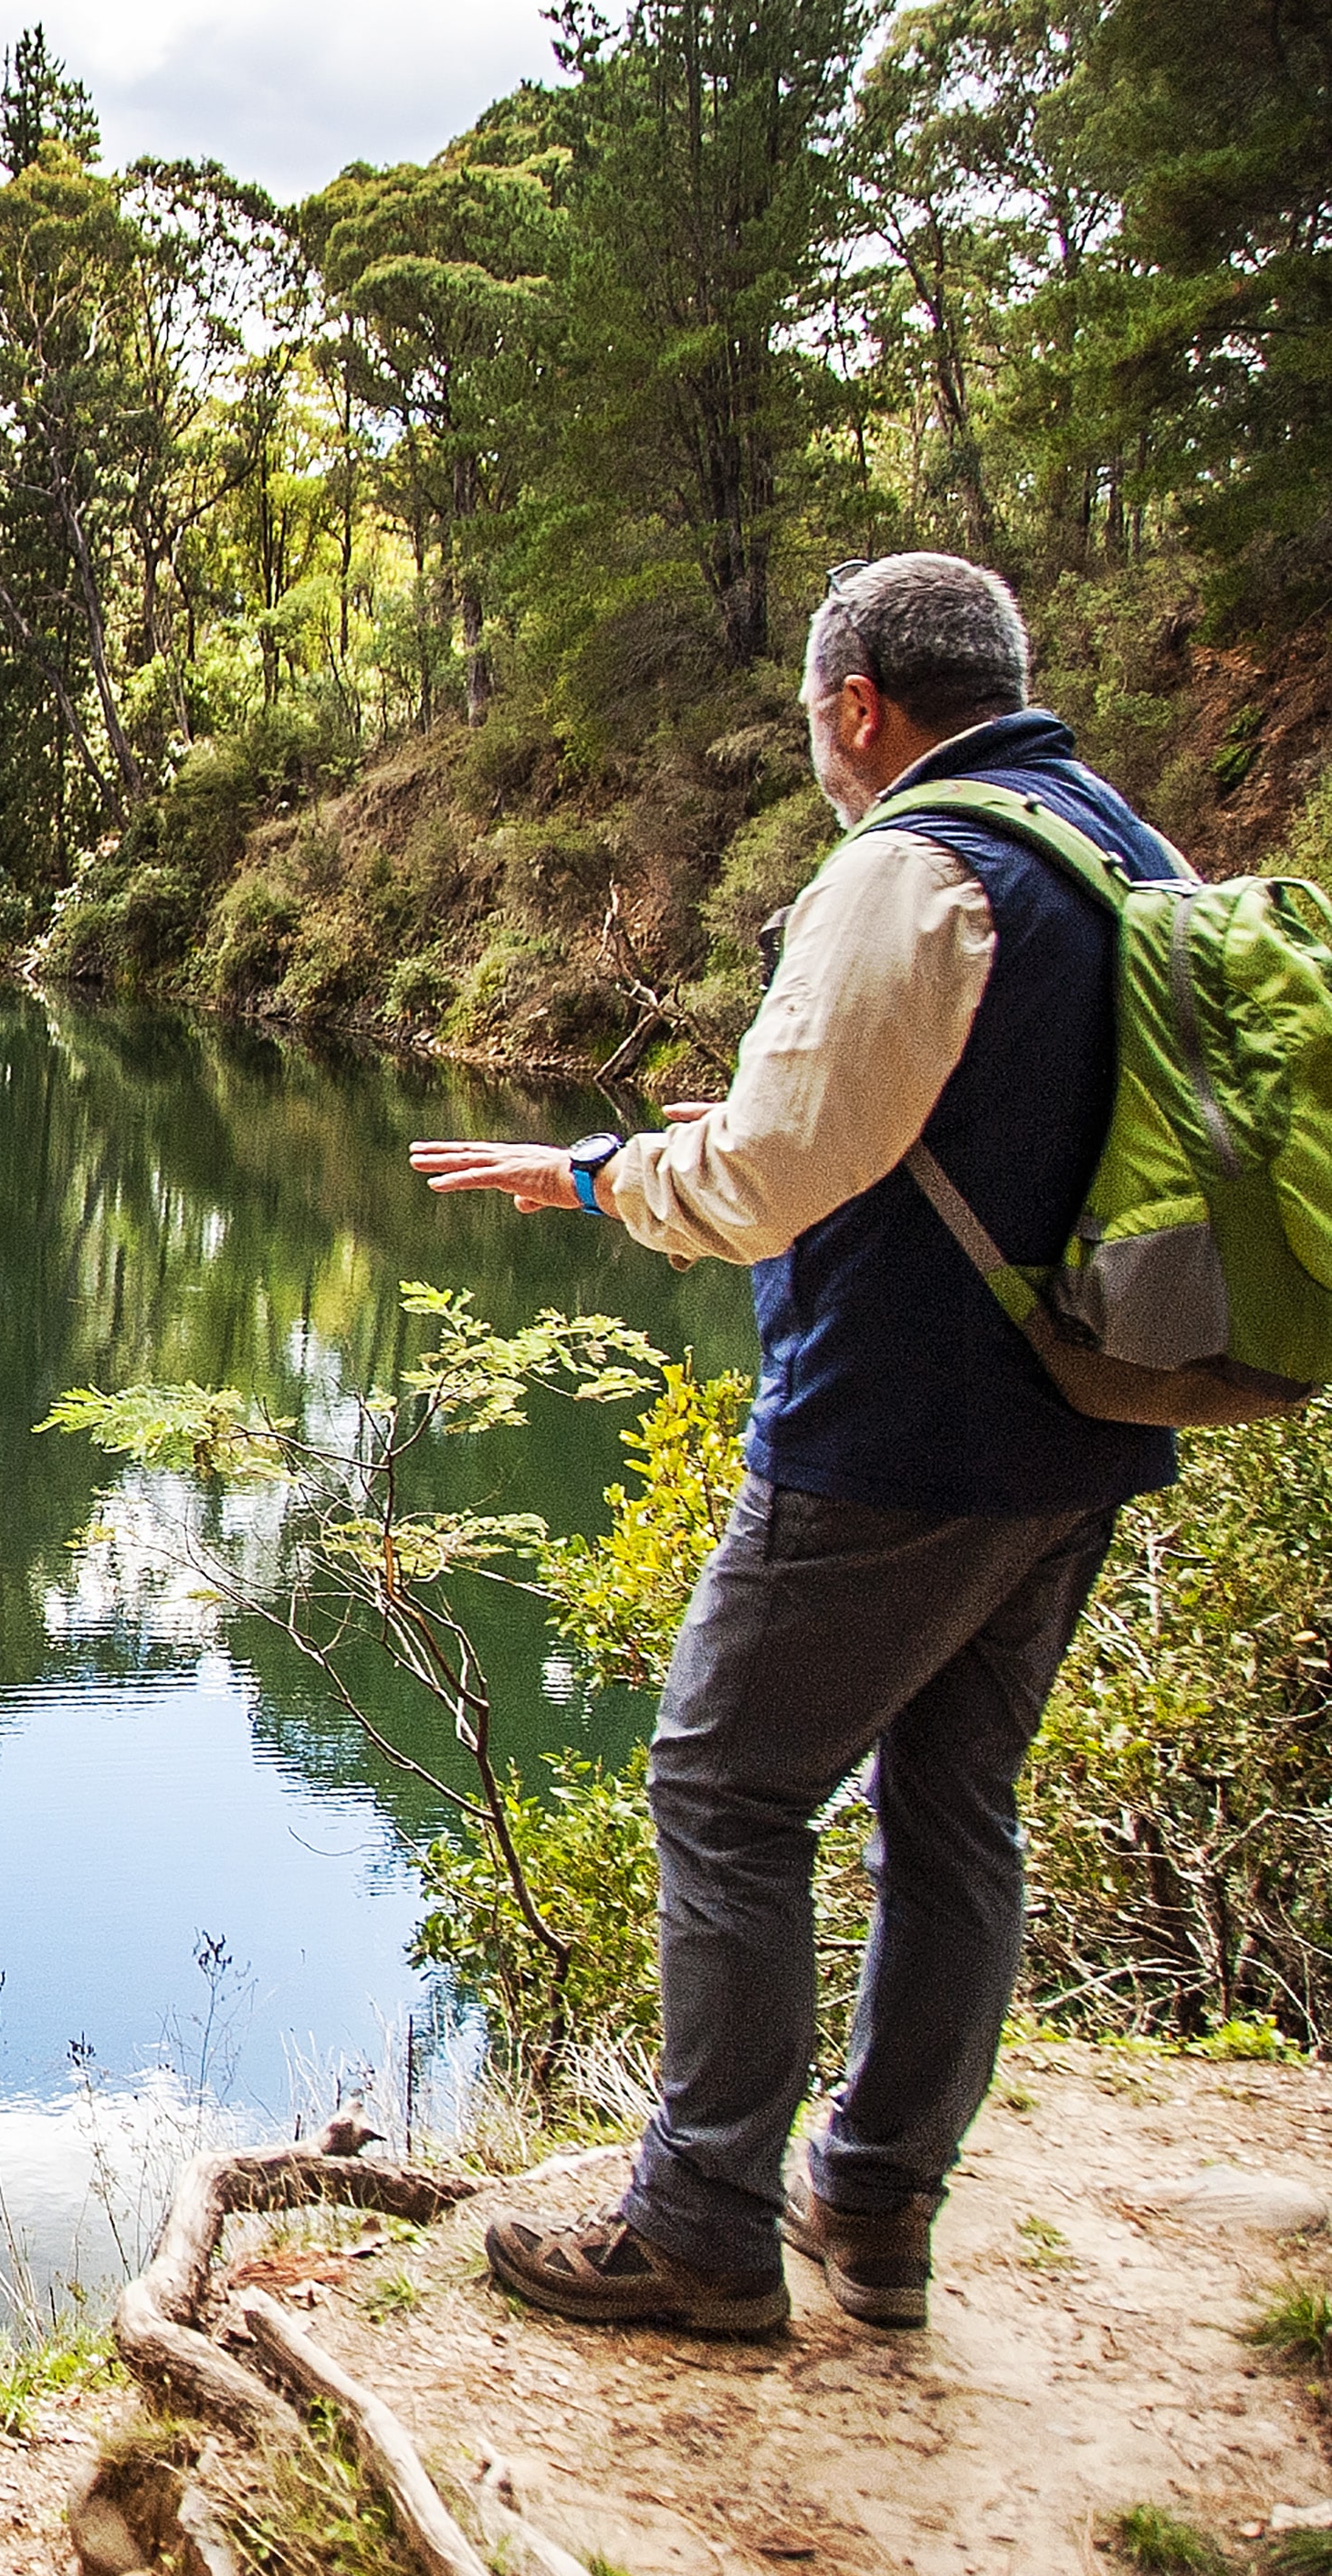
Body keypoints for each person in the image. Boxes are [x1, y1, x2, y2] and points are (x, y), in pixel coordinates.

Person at [411, 552, 1181, 2336]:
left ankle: (697, 2224)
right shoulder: (1118, 847)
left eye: (812, 722)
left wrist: (599, 1170)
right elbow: (986, 1117)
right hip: (1086, 1427)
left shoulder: (910, 866)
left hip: (896, 1436)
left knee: (723, 1787)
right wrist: (754, 1123)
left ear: (855, 707)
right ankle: (875, 2203)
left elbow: (764, 1187)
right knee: (949, 1801)